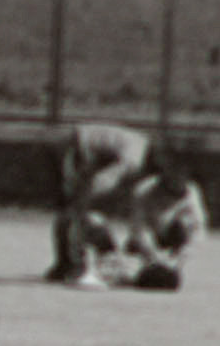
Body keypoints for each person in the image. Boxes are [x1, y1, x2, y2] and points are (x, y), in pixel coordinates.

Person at [47, 121, 207, 291]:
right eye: (167, 162)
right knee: (77, 210)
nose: (165, 168)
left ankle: (63, 264)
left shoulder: (140, 148)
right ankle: (76, 266)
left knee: (70, 209)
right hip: (73, 144)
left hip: (73, 141)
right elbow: (104, 180)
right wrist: (84, 202)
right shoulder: (135, 159)